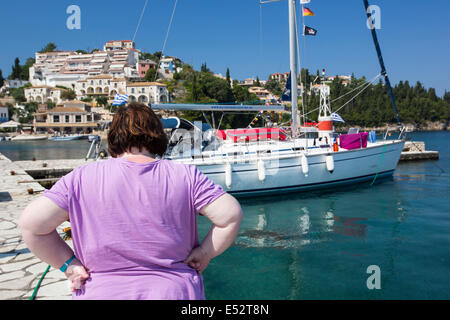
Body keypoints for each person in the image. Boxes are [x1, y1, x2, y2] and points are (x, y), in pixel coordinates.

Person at [19, 103, 243, 300]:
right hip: (174, 290)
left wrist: (69, 265)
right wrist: (204, 253)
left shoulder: (80, 178)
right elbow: (230, 216)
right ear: (157, 134)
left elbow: (32, 225)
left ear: (113, 136)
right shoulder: (185, 176)